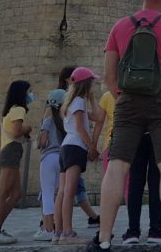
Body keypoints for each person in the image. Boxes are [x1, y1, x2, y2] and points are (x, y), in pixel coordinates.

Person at [93, 0, 161, 252]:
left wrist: (122, 97)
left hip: (127, 99)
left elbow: (109, 75)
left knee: (117, 167)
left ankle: (103, 238)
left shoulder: (120, 26)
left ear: (143, 1)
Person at [54, 67, 98, 245]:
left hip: (66, 148)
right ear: (86, 84)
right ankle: (67, 233)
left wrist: (92, 99)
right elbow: (81, 128)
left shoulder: (71, 102)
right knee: (70, 192)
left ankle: (58, 233)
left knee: (63, 192)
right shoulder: (79, 101)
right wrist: (92, 147)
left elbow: (96, 116)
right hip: (75, 147)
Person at [0, 80, 33, 245]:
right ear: (22, 93)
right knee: (3, 193)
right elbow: (17, 131)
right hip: (10, 151)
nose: (30, 95)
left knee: (15, 194)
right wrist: (28, 128)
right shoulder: (18, 109)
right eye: (28, 92)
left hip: (9, 152)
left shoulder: (9, 110)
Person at [35, 89, 67, 241]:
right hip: (62, 159)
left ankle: (48, 229)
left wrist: (38, 143)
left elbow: (42, 142)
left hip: (48, 158)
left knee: (47, 194)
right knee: (58, 194)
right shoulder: (65, 121)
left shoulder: (47, 121)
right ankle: (58, 226)